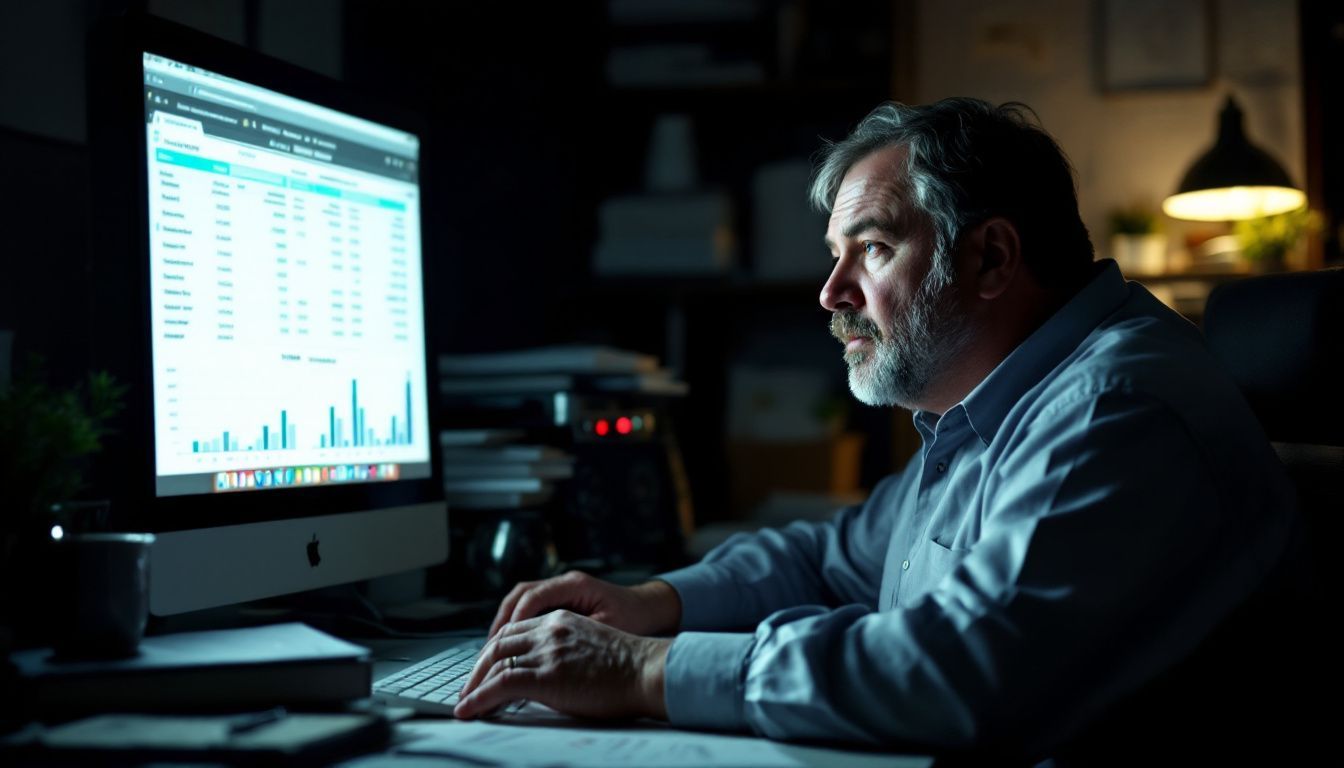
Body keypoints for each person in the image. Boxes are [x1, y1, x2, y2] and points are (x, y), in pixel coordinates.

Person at [452, 98, 1296, 761]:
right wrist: (652, 602)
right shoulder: (989, 408)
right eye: (834, 254)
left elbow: (960, 669)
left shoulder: (1114, 410)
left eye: (873, 249)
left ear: (992, 259)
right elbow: (834, 559)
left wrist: (640, 670)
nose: (831, 292)